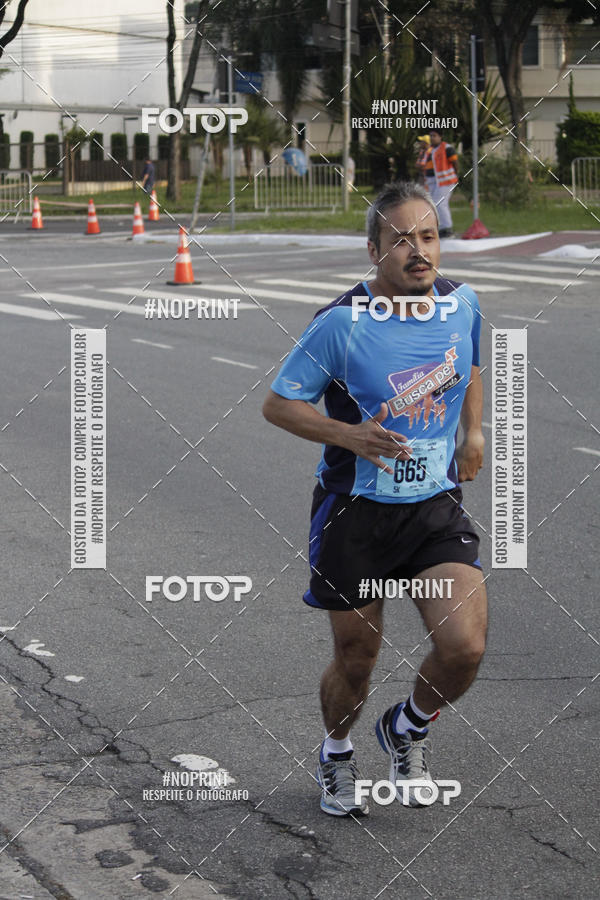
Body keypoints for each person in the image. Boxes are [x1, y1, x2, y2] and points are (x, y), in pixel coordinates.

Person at [262, 181, 486, 817]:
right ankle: (336, 752)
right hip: (354, 512)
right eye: (401, 240)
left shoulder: (462, 303)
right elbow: (279, 404)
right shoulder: (340, 323)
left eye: (429, 237)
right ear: (373, 250)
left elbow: (467, 362)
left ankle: (408, 727)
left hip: (432, 506)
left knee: (463, 647)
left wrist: (473, 431)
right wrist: (348, 435)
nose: (419, 251)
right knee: (357, 661)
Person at [425, 130, 458, 238]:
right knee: (435, 204)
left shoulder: (447, 148)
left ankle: (447, 228)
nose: (432, 138)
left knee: (440, 203)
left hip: (447, 181)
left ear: (440, 137)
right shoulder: (432, 150)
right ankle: (441, 227)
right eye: (430, 136)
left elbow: (455, 162)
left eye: (434, 136)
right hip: (437, 182)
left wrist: (456, 175)